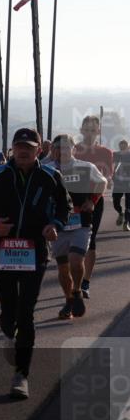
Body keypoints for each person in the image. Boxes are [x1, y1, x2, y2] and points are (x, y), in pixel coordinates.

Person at [0, 128, 70, 400]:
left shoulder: (51, 176)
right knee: (8, 313)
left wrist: (55, 225)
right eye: (18, 146)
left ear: (39, 150)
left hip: (34, 252)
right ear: (12, 149)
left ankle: (21, 375)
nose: (23, 151)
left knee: (26, 313)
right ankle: (8, 332)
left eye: (29, 146)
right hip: (3, 252)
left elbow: (64, 207)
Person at [44, 134, 106, 319]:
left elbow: (102, 183)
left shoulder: (85, 167)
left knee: (76, 260)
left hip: (81, 223)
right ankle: (69, 301)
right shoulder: (46, 170)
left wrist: (92, 201)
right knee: (63, 268)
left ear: (73, 149)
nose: (61, 151)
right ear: (52, 149)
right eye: (57, 147)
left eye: (65, 147)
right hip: (58, 226)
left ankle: (77, 290)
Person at [74, 115, 114, 298]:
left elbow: (108, 179)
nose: (89, 133)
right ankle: (75, 279)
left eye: (93, 130)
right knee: (71, 242)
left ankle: (85, 282)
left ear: (98, 131)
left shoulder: (106, 152)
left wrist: (94, 198)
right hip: (72, 201)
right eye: (86, 129)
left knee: (91, 241)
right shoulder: (73, 150)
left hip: (94, 202)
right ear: (81, 130)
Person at [113, 139, 130, 232]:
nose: (123, 147)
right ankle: (120, 213)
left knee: (128, 205)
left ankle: (126, 223)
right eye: (121, 145)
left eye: (125, 145)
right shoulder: (116, 154)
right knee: (116, 202)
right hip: (119, 182)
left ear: (127, 146)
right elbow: (112, 166)